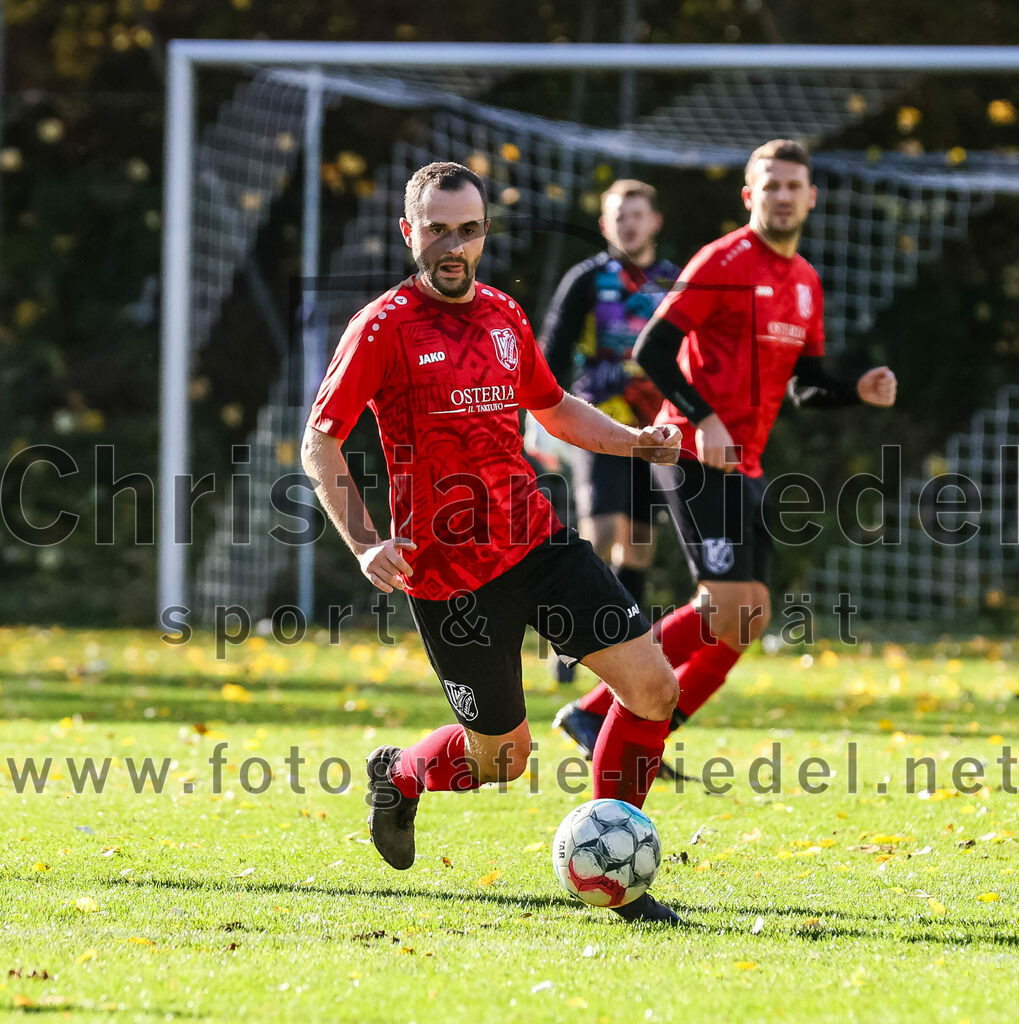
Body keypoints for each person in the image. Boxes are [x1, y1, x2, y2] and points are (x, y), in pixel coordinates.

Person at [302, 161, 684, 924]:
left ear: (482, 234)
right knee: (503, 760)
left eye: (467, 229)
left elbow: (554, 405)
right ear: (409, 232)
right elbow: (320, 445)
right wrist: (366, 544)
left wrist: (631, 443)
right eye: (437, 228)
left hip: (537, 544)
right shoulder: (381, 326)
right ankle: (402, 772)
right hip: (447, 578)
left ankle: (616, 874)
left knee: (653, 689)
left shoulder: (505, 314)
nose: (453, 243)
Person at [554, 139, 897, 762]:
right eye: (771, 186)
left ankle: (598, 717)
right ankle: (616, 726)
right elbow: (653, 348)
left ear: (811, 197)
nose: (784, 196)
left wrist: (856, 389)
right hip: (692, 453)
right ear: (750, 196)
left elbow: (806, 382)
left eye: (794, 186)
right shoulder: (722, 261)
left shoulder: (805, 283)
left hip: (745, 462)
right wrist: (704, 417)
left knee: (748, 618)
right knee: (728, 606)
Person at [539, 179, 679, 612]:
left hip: (655, 430)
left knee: (638, 546)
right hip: (597, 421)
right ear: (604, 224)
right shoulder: (585, 280)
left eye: (637, 215)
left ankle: (624, 634)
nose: (629, 224)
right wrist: (541, 416)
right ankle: (567, 637)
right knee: (598, 533)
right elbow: (551, 353)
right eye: (620, 216)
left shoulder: (674, 281)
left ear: (654, 221)